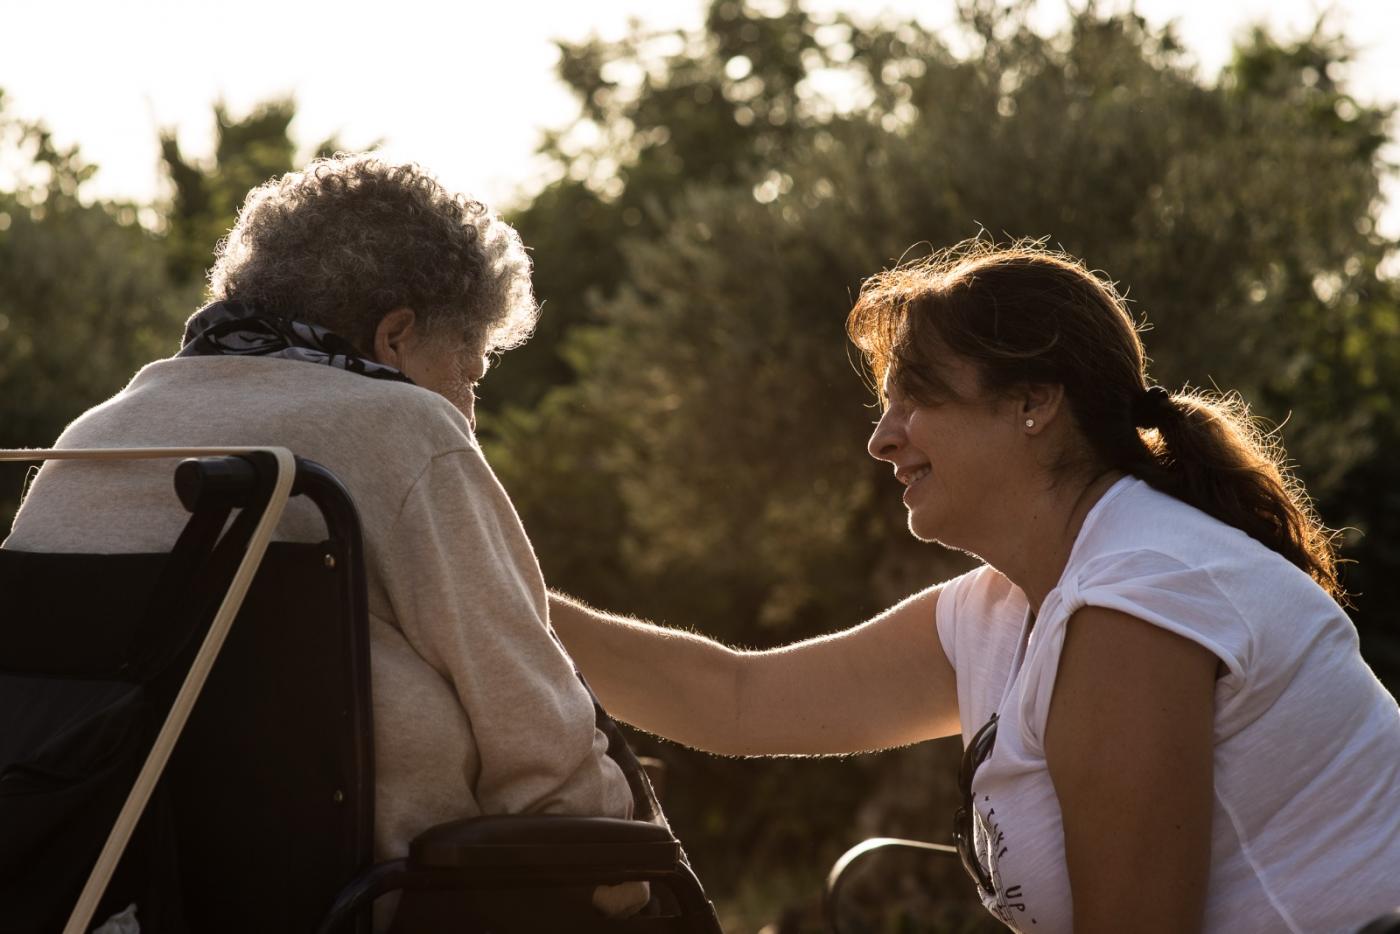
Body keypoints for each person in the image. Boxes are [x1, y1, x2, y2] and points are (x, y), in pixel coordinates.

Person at [548, 239, 1400, 933]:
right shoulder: (1004, 607)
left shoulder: (1142, 597)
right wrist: (489, 589)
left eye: (916, 401)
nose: (883, 440)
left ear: (1032, 404)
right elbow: (735, 699)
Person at [4, 154, 646, 928]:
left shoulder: (95, 435)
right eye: (470, 375)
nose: (470, 411)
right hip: (371, 902)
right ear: (397, 335)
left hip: (109, 897)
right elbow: (540, 749)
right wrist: (628, 869)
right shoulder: (403, 426)